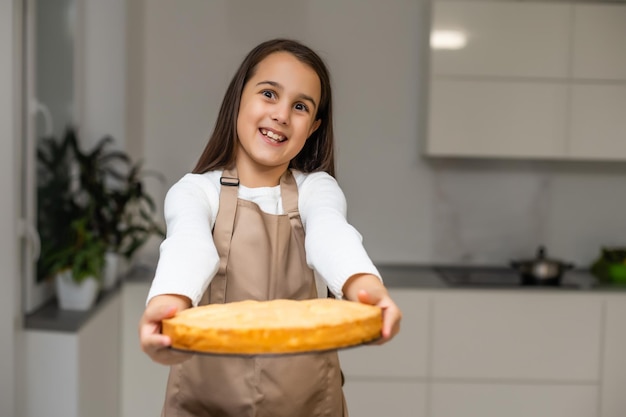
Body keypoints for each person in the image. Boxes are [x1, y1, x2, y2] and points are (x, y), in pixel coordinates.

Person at [139, 38, 402, 417]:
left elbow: (331, 232)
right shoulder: (196, 191)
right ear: (239, 100)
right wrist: (168, 304)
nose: (281, 115)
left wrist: (366, 288)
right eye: (268, 94)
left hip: (308, 404)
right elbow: (189, 245)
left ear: (312, 128)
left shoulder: (316, 189)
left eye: (299, 107)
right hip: (205, 405)